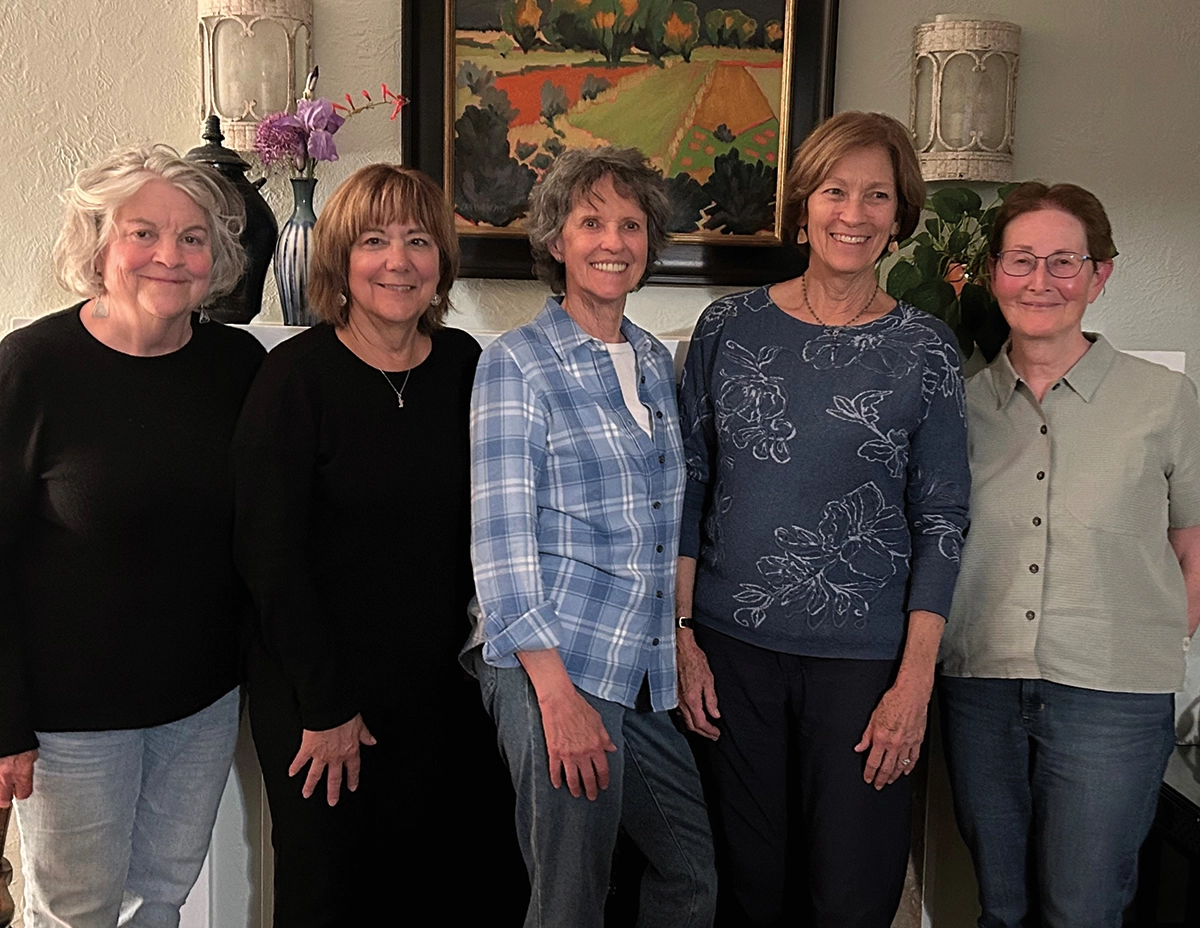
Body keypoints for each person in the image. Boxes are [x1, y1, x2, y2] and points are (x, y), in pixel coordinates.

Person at [675, 111, 970, 927]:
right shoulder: (729, 327)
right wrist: (682, 638)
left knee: (850, 896)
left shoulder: (926, 348)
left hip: (866, 669)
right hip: (730, 656)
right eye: (836, 191)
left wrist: (914, 683)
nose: (854, 213)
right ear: (804, 202)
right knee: (748, 890)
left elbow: (943, 519)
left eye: (878, 195)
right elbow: (689, 485)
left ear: (900, 216)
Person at [232, 163, 521, 926]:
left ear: (442, 261)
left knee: (459, 890)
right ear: (341, 259)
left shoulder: (467, 367)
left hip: (448, 693)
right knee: (334, 896)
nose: (399, 260)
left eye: (418, 240)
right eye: (373, 240)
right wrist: (326, 705)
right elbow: (268, 557)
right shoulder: (295, 378)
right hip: (323, 692)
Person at [0, 144, 264, 927]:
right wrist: (5, 722)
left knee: (160, 903)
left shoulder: (238, 366)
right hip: (69, 720)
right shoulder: (33, 366)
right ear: (99, 245)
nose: (169, 256)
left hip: (200, 704)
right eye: (143, 233)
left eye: (192, 238)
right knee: (75, 913)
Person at [466, 146, 718, 928]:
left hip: (636, 663)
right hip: (554, 661)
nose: (613, 241)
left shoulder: (652, 359)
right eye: (591, 222)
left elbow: (665, 518)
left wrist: (678, 640)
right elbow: (501, 546)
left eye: (631, 225)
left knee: (691, 875)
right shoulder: (517, 362)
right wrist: (557, 698)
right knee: (570, 900)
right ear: (556, 240)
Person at [938, 182, 1200, 927]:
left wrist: (1154, 640)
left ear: (1099, 274)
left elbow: (1194, 543)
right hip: (981, 687)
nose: (1040, 280)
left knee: (1082, 911)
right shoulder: (959, 407)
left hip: (1114, 699)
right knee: (1001, 908)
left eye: (1064, 261)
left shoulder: (1164, 399)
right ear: (993, 274)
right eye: (1021, 259)